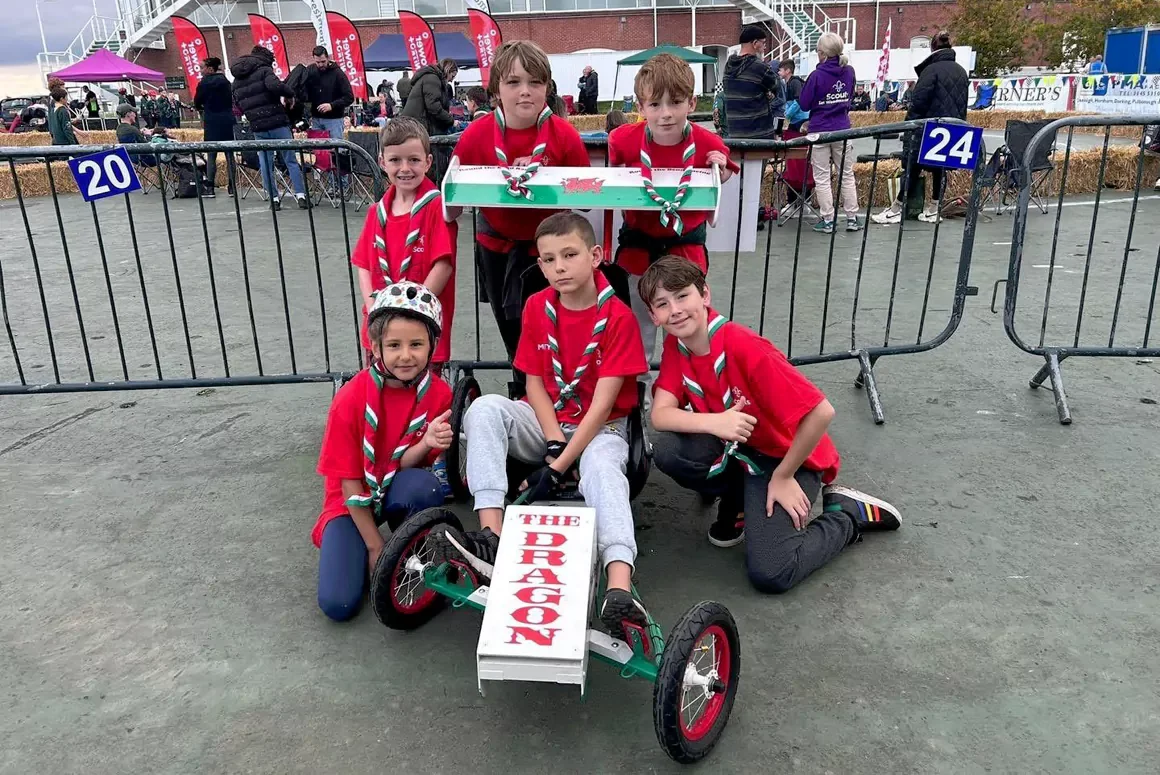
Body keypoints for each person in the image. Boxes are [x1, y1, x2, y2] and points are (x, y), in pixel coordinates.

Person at [425, 212, 652, 638]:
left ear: (596, 256)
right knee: (485, 410)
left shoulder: (618, 317)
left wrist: (559, 465)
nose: (558, 267)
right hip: (549, 421)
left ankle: (619, 585)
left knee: (603, 470)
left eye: (569, 255)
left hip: (600, 429)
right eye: (548, 260)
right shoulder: (537, 305)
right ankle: (490, 535)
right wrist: (551, 444)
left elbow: (603, 405)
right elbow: (533, 382)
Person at [641, 257, 901, 592]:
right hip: (739, 447)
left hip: (789, 457)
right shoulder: (677, 345)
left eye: (682, 296)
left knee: (773, 571)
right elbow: (659, 414)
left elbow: (821, 412)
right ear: (653, 316)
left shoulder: (743, 346)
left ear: (704, 294)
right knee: (670, 451)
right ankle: (737, 504)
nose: (675, 310)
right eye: (662, 304)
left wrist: (784, 475)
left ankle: (847, 515)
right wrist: (716, 421)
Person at [449, 40, 589, 383]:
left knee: (556, 333)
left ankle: (560, 399)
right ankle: (524, 397)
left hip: (552, 253)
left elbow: (586, 196)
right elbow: (451, 202)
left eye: (535, 83)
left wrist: (548, 176)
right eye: (513, 82)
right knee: (513, 335)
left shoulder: (564, 135)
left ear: (547, 87)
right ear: (497, 87)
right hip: (496, 249)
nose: (525, 92)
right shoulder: (476, 135)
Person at [313, 282, 452, 621]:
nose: (406, 355)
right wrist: (376, 547)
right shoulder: (349, 399)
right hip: (350, 503)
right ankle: (370, 546)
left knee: (425, 488)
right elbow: (348, 484)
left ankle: (408, 545)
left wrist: (427, 443)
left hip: (394, 487)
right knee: (339, 605)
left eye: (416, 344)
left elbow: (402, 466)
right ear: (375, 347)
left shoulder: (438, 394)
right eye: (394, 345)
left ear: (433, 345)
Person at [608, 53, 738, 382]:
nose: (665, 114)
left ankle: (689, 393)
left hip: (685, 254)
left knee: (688, 330)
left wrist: (719, 171)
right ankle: (636, 401)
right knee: (637, 331)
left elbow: (723, 178)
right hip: (637, 255)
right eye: (655, 105)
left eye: (675, 102)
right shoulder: (622, 140)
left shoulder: (708, 141)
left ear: (692, 103)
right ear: (641, 106)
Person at [350, 117, 457, 376]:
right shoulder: (377, 212)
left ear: (428, 162)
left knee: (422, 391)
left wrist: (409, 310)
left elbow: (442, 265)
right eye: (396, 160)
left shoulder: (436, 208)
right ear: (382, 162)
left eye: (414, 160)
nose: (405, 168)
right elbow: (364, 265)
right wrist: (375, 306)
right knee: (380, 388)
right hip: (380, 324)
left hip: (420, 322)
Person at [871, 30, 968, 225]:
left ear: (932, 47)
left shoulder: (930, 71)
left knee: (913, 168)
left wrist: (909, 126)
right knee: (940, 169)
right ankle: (934, 208)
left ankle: (897, 208)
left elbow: (918, 102)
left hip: (928, 127)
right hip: (953, 126)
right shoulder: (961, 71)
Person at [231, 45, 308, 210]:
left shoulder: (236, 80)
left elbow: (236, 103)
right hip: (277, 121)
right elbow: (275, 86)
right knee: (290, 159)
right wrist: (289, 94)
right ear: (266, 58)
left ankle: (273, 198)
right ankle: (301, 195)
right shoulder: (264, 70)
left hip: (257, 126)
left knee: (265, 162)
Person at [799, 32, 860, 235]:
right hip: (842, 128)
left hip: (820, 130)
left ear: (822, 53)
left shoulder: (816, 76)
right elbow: (850, 96)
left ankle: (828, 219)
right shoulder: (849, 71)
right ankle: (852, 217)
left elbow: (804, 103)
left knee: (823, 177)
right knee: (846, 174)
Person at [305, 46, 355, 190]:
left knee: (336, 152)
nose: (321, 65)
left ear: (328, 58)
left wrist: (332, 105)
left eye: (323, 61)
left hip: (334, 118)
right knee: (322, 154)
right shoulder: (311, 71)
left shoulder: (338, 74)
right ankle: (332, 185)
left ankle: (343, 185)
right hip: (316, 117)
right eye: (318, 62)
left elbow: (349, 97)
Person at [722, 25, 782, 140]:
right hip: (758, 136)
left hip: (735, 134)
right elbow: (777, 86)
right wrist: (769, 94)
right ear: (755, 43)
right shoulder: (759, 67)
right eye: (763, 43)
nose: (765, 47)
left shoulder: (728, 67)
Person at [194, 56, 237, 198]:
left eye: (202, 67)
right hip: (226, 119)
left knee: (211, 155)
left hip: (211, 120)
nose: (200, 70)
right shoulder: (225, 82)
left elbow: (197, 101)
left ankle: (210, 186)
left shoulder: (204, 83)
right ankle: (232, 186)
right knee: (229, 154)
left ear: (210, 69)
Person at [401, 57, 458, 137]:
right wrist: (450, 120)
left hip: (414, 124)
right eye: (452, 76)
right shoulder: (433, 79)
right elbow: (433, 106)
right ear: (447, 71)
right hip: (419, 125)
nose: (451, 80)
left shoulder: (430, 78)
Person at [779, 59, 807, 131]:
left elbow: (798, 101)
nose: (779, 73)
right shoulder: (787, 83)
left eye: (780, 70)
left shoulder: (795, 82)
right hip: (794, 119)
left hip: (801, 119)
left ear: (788, 71)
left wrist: (787, 115)